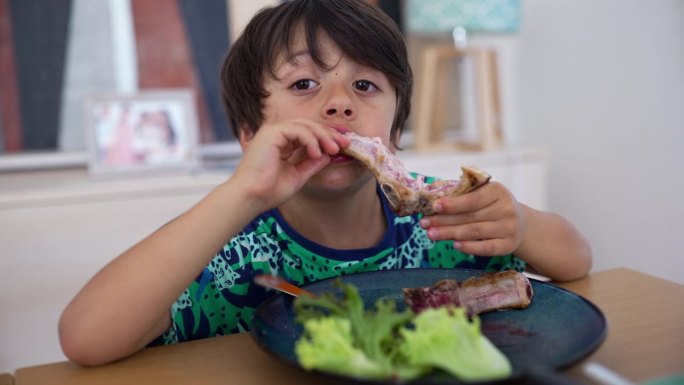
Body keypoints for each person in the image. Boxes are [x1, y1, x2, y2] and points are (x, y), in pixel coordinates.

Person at [59, 0, 592, 366]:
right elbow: (85, 338)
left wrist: (519, 224)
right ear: (251, 132)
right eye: (304, 83)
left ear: (395, 129)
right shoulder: (226, 240)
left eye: (364, 84)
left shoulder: (446, 212)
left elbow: (576, 260)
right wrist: (240, 194)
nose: (338, 103)